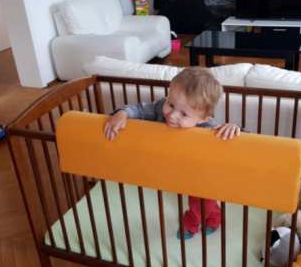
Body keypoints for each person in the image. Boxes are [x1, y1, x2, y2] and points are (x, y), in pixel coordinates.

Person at [103, 67, 242, 240]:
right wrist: (122, 113)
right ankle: (215, 219)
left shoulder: (209, 127)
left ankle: (191, 225)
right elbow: (138, 110)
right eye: (171, 104)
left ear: (203, 119)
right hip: (175, 169)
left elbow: (241, 141)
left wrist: (233, 128)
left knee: (201, 201)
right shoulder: (160, 107)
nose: (172, 115)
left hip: (201, 173)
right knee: (207, 202)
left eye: (184, 114)